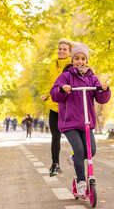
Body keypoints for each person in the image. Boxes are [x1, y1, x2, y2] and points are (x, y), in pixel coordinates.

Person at [50, 44, 111, 197]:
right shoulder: (66, 76)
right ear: (72, 60)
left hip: (86, 122)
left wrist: (104, 89)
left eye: (83, 59)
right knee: (79, 150)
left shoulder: (92, 78)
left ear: (86, 60)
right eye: (77, 58)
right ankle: (82, 182)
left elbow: (101, 99)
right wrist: (62, 89)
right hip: (70, 122)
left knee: (91, 151)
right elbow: (54, 93)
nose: (80, 62)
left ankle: (73, 159)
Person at [41, 39, 75, 177]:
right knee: (55, 136)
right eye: (60, 48)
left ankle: (74, 156)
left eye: (64, 49)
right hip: (54, 105)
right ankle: (55, 165)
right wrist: (46, 94)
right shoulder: (52, 65)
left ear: (70, 52)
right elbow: (52, 84)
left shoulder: (73, 66)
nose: (61, 51)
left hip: (68, 106)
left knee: (73, 134)